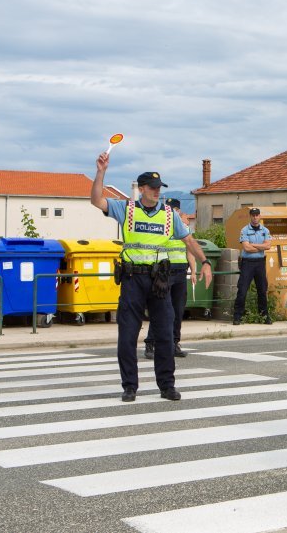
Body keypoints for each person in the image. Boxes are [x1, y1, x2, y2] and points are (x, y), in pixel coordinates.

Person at [91, 153, 212, 403]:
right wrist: (101, 172)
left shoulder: (169, 215)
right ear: (142, 189)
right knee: (127, 335)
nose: (158, 191)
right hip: (133, 279)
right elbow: (96, 200)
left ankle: (167, 386)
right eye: (154, 188)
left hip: (159, 282)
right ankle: (130, 386)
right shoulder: (127, 209)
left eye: (160, 188)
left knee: (165, 335)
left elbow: (189, 240)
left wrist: (206, 261)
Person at [143, 198, 193, 359]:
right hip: (164, 272)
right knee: (160, 309)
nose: (173, 212)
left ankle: (174, 343)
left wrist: (193, 269)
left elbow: (190, 249)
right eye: (171, 209)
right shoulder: (161, 226)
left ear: (179, 211)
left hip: (180, 272)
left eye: (176, 209)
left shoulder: (184, 227)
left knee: (178, 310)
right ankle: (150, 343)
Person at [233, 207, 273, 325]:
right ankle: (237, 316)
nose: (255, 217)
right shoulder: (244, 230)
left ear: (260, 216)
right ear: (250, 216)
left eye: (257, 215)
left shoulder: (265, 230)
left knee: (262, 290)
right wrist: (261, 246)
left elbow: (268, 246)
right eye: (253, 215)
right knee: (242, 290)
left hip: (260, 263)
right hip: (247, 263)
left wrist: (254, 245)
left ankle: (264, 316)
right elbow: (246, 248)